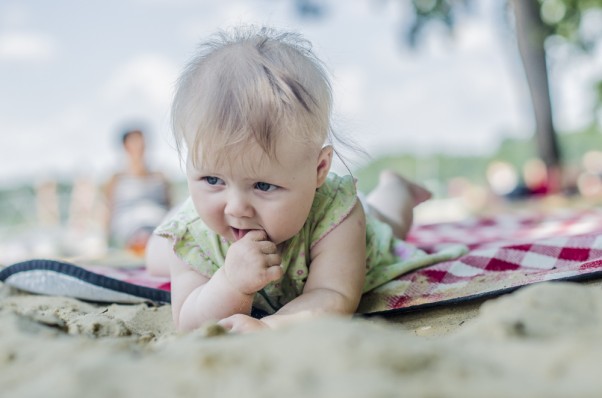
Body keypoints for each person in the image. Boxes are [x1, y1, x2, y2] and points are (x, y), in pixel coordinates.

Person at [145, 26, 463, 333]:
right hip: (201, 235)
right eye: (212, 179)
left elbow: (333, 295)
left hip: (360, 233)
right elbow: (187, 321)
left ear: (319, 170)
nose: (236, 208)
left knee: (389, 220)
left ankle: (396, 187)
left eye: (263, 185)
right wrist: (231, 283)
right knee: (159, 255)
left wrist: (269, 327)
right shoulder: (194, 235)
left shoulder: (337, 214)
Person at [105, 128, 172, 255]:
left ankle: (146, 247)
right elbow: (109, 209)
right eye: (134, 142)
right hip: (127, 225)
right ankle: (144, 247)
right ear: (125, 146)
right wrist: (107, 241)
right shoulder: (116, 178)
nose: (139, 145)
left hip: (156, 222)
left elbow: (169, 206)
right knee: (139, 227)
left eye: (141, 141)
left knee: (154, 223)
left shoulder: (160, 176)